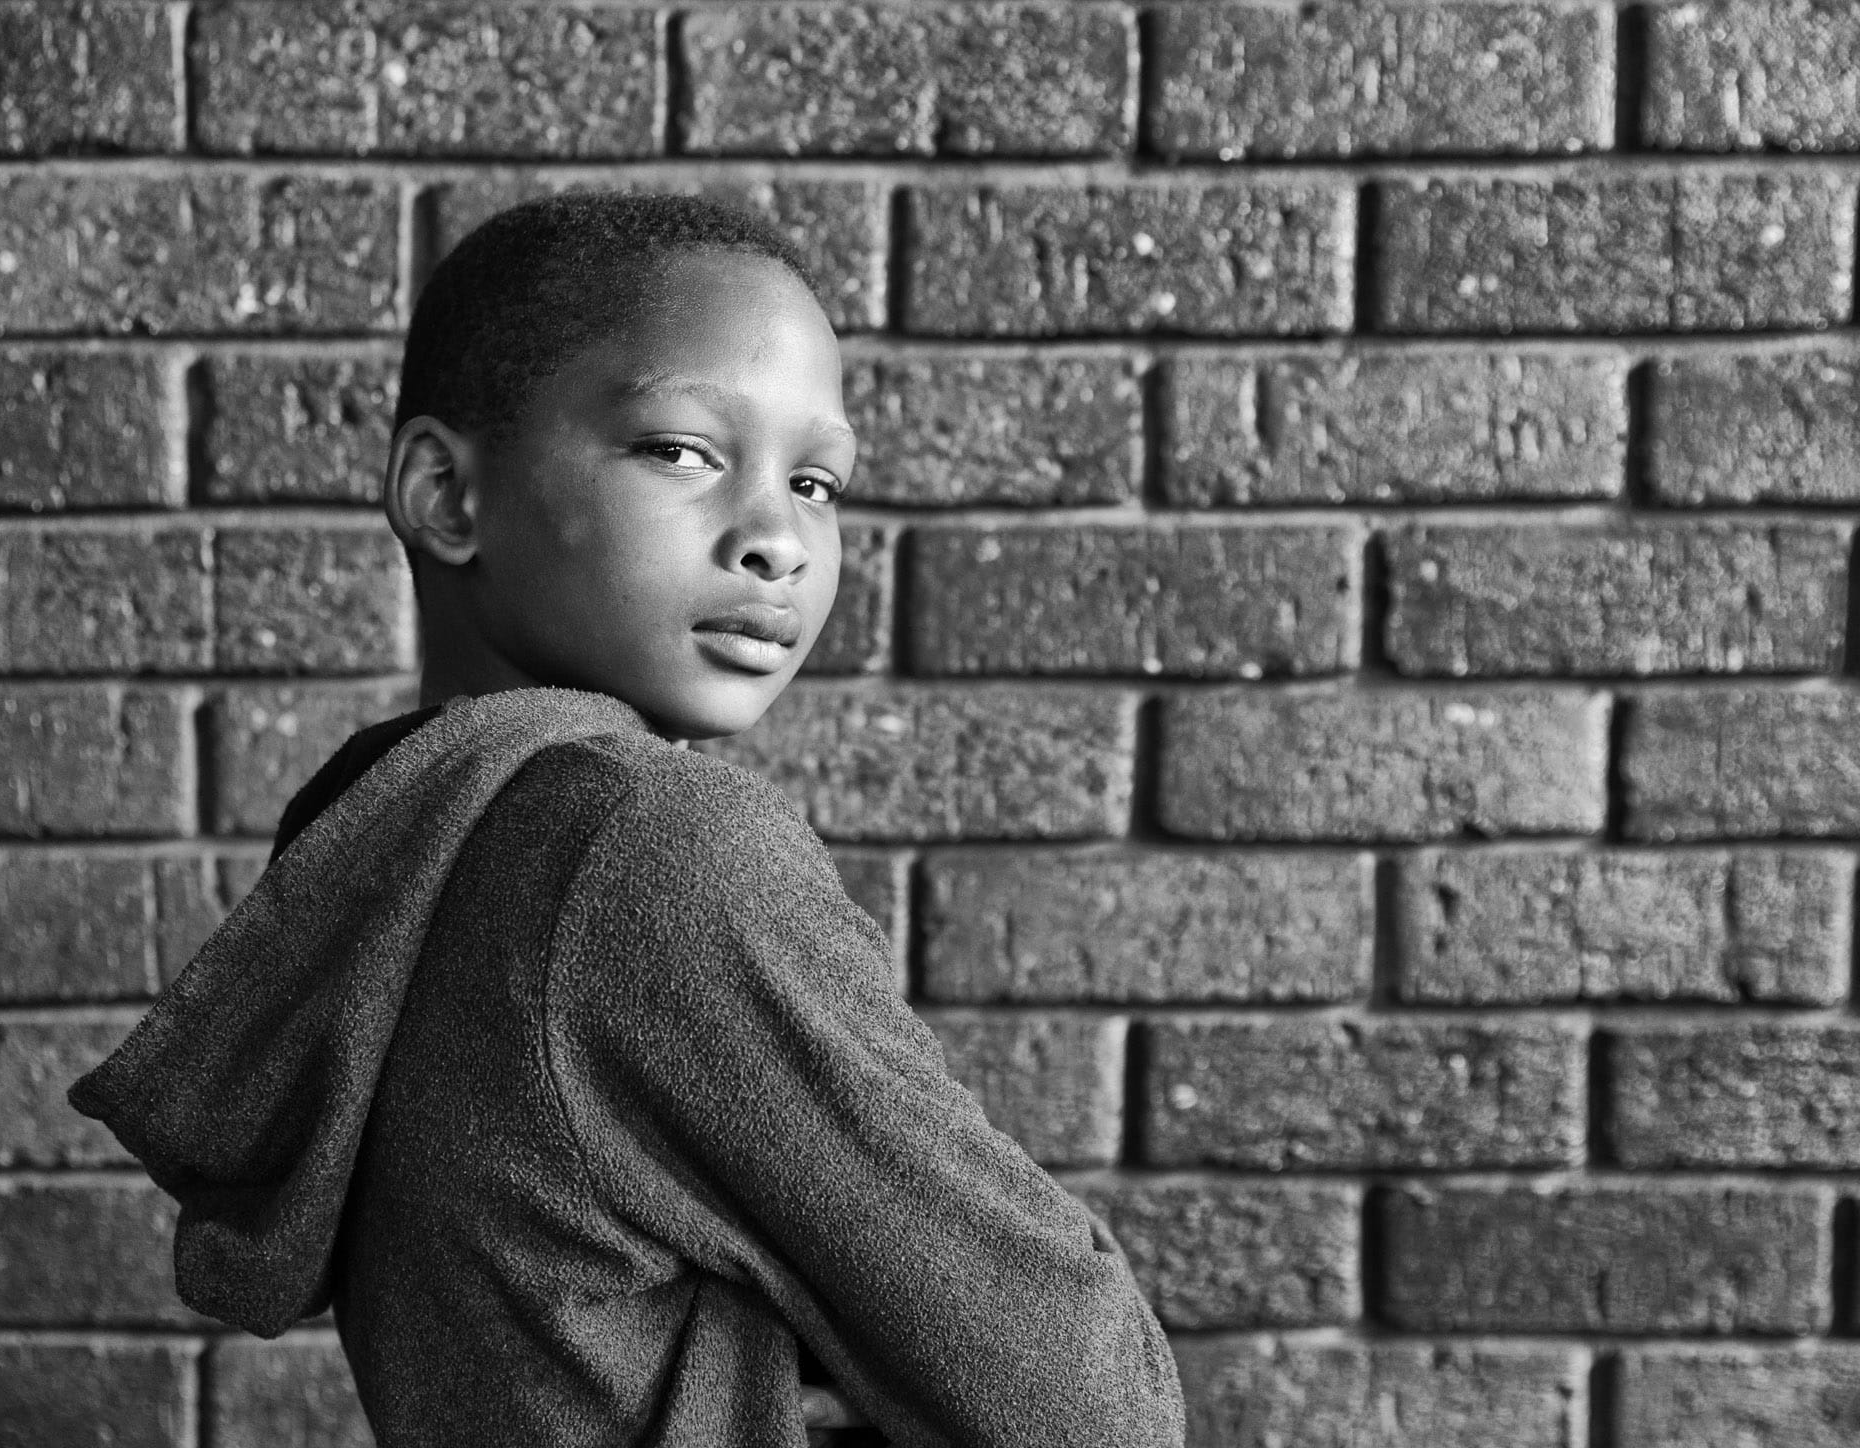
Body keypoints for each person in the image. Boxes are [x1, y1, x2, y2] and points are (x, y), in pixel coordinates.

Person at [70, 193, 1183, 1448]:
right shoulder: (650, 846)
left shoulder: (398, 839)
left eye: (816, 480)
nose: (777, 540)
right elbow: (1092, 1401)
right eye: (681, 450)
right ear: (444, 493)